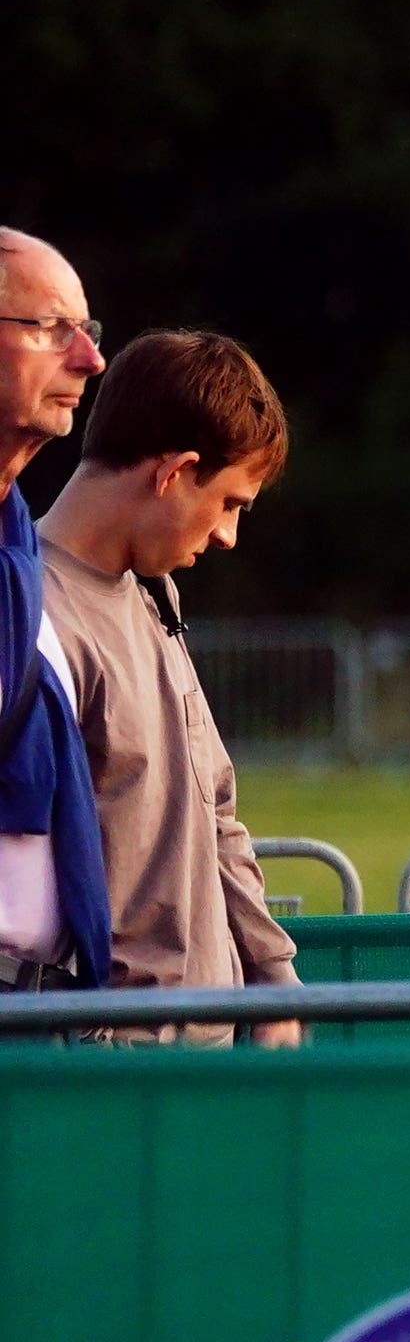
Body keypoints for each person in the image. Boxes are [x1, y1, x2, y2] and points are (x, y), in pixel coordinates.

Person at [38, 331, 299, 1037]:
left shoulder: (156, 593)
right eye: (229, 503)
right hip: (106, 1072)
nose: (228, 537)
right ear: (175, 473)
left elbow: (214, 806)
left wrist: (274, 980)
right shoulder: (29, 620)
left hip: (201, 1051)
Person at [0, 228, 113, 993]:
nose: (90, 359)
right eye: (51, 328)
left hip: (39, 1004)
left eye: (87, 330)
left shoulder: (16, 536)